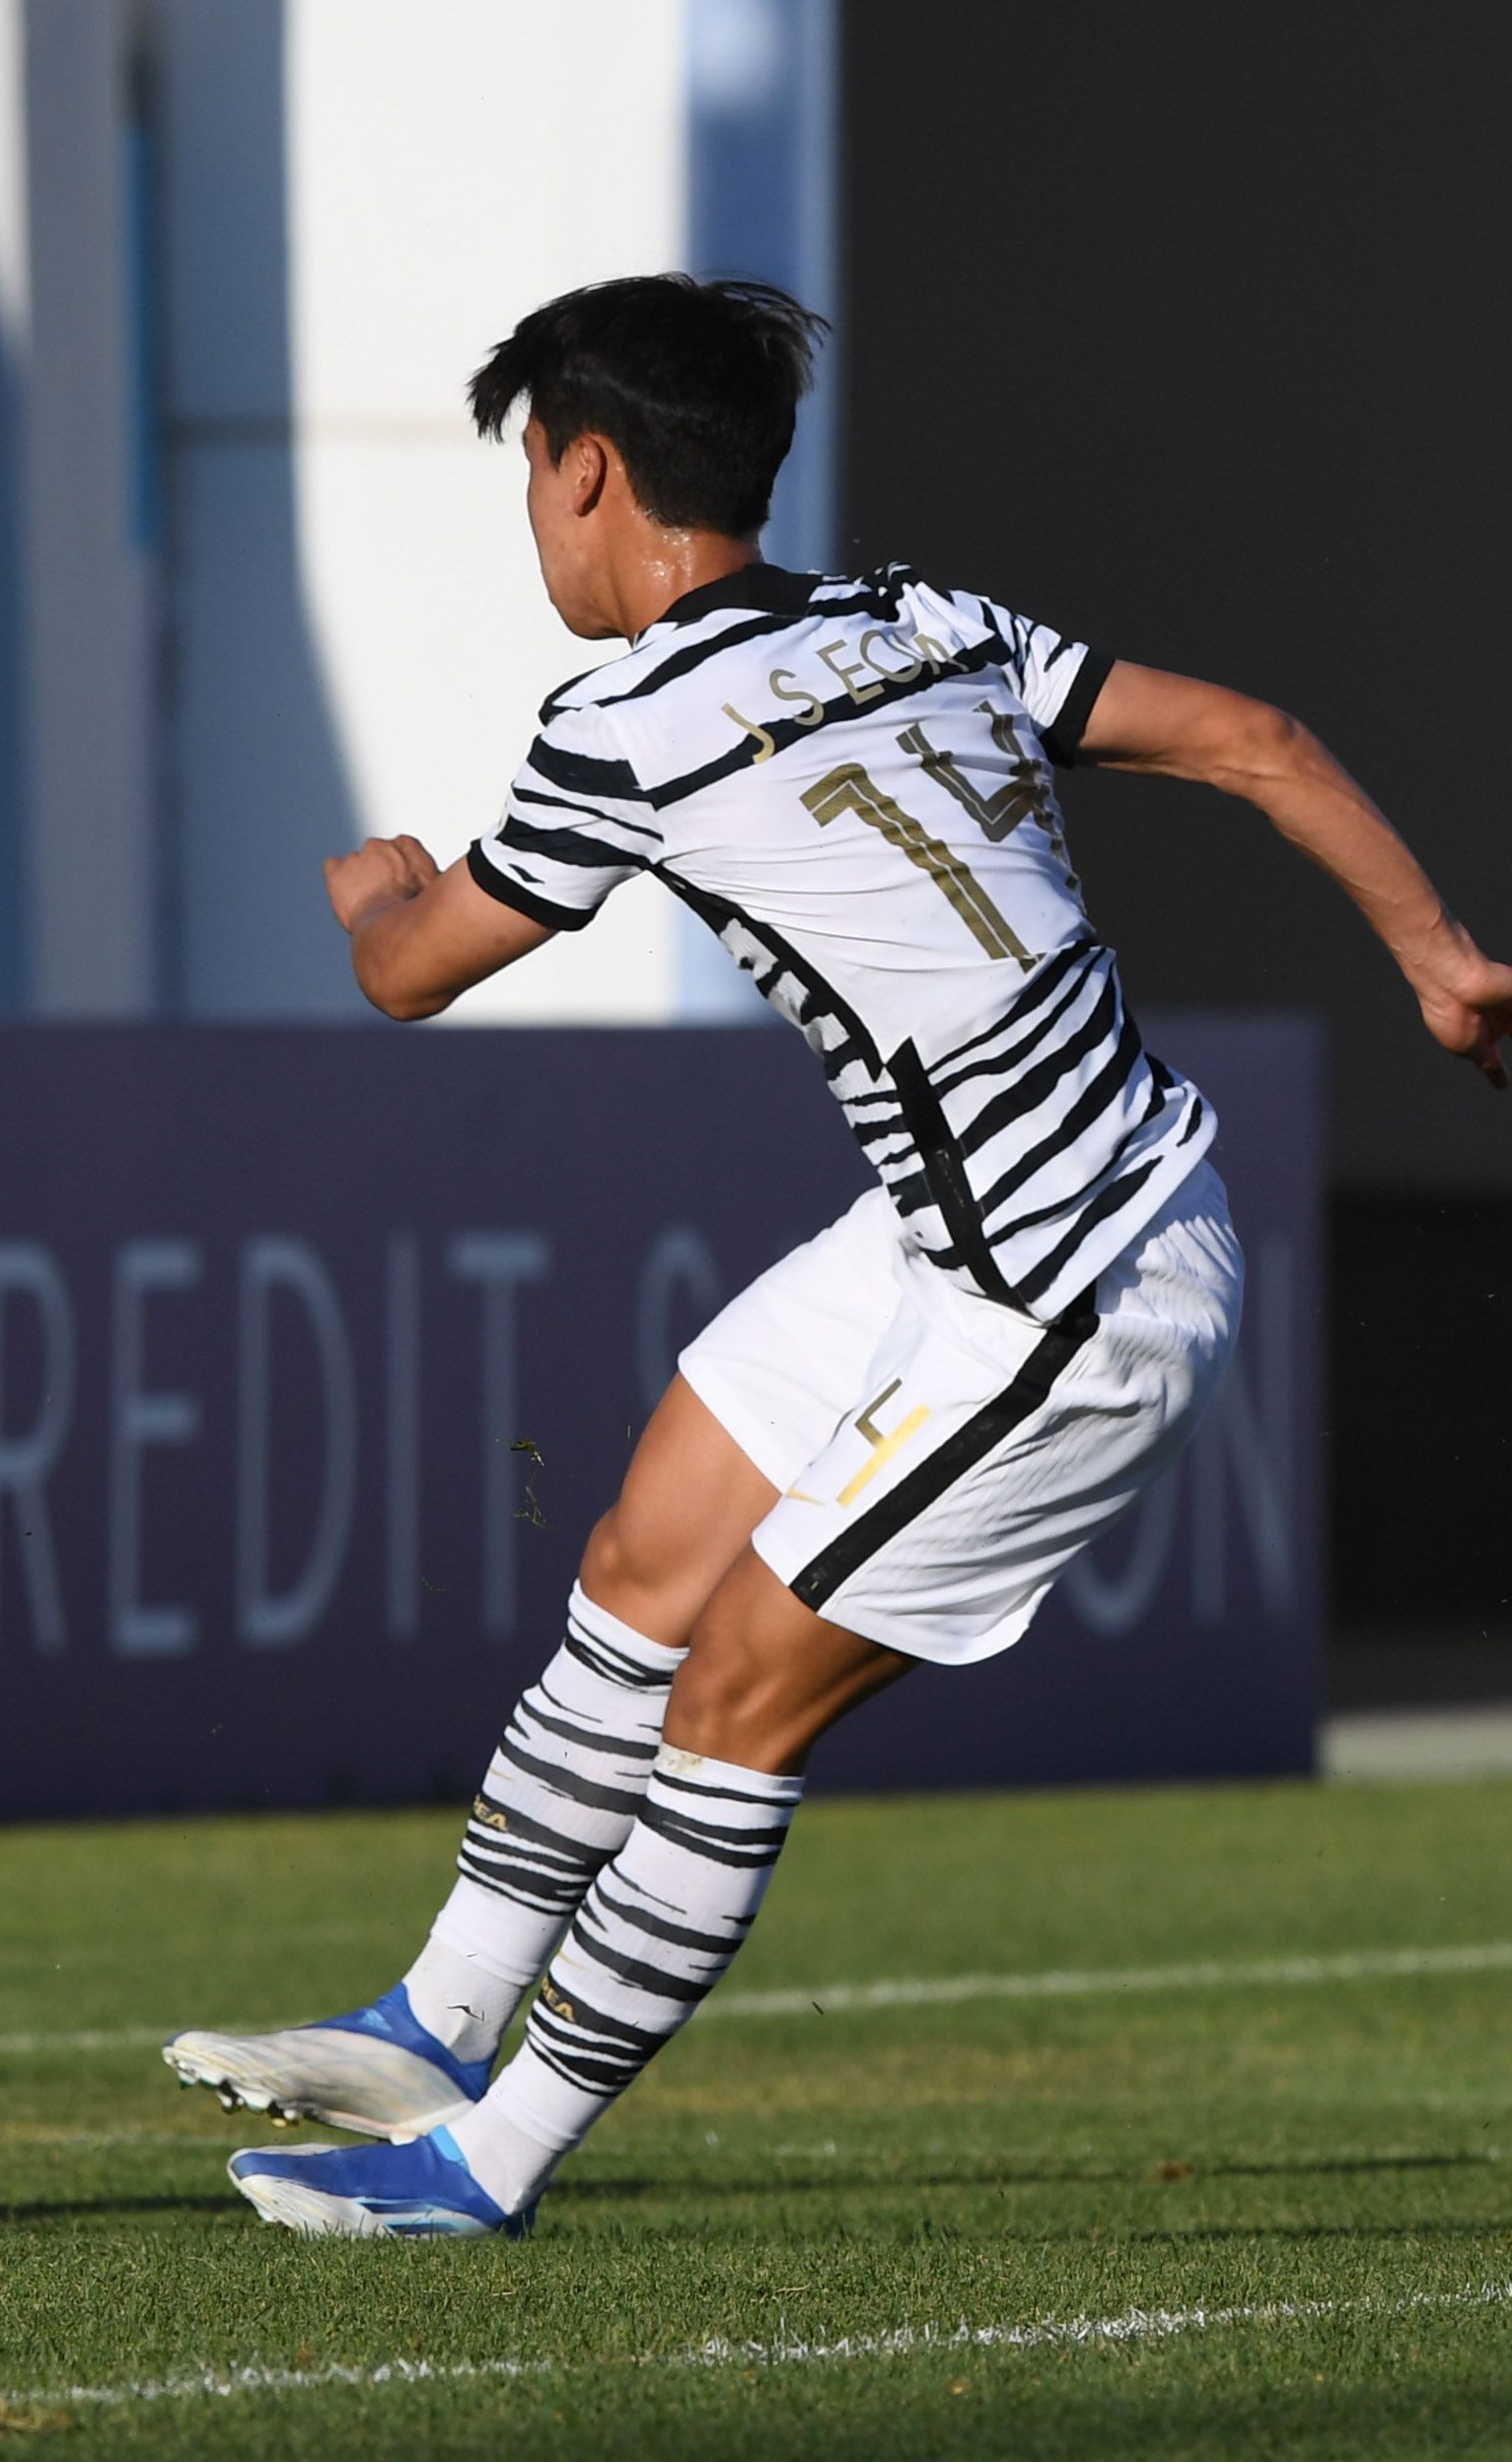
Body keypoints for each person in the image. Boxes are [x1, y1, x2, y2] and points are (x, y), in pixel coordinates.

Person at [160, 276, 1512, 2237]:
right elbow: (1251, 737)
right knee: (645, 1552)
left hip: (1072, 1282)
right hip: (954, 1232)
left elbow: (409, 974)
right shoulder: (919, 618)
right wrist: (1437, 961)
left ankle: (483, 2161)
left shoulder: (621, 727)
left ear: (588, 472)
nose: (532, 518)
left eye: (529, 474)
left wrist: (378, 897)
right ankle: (435, 2018)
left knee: (735, 1691)